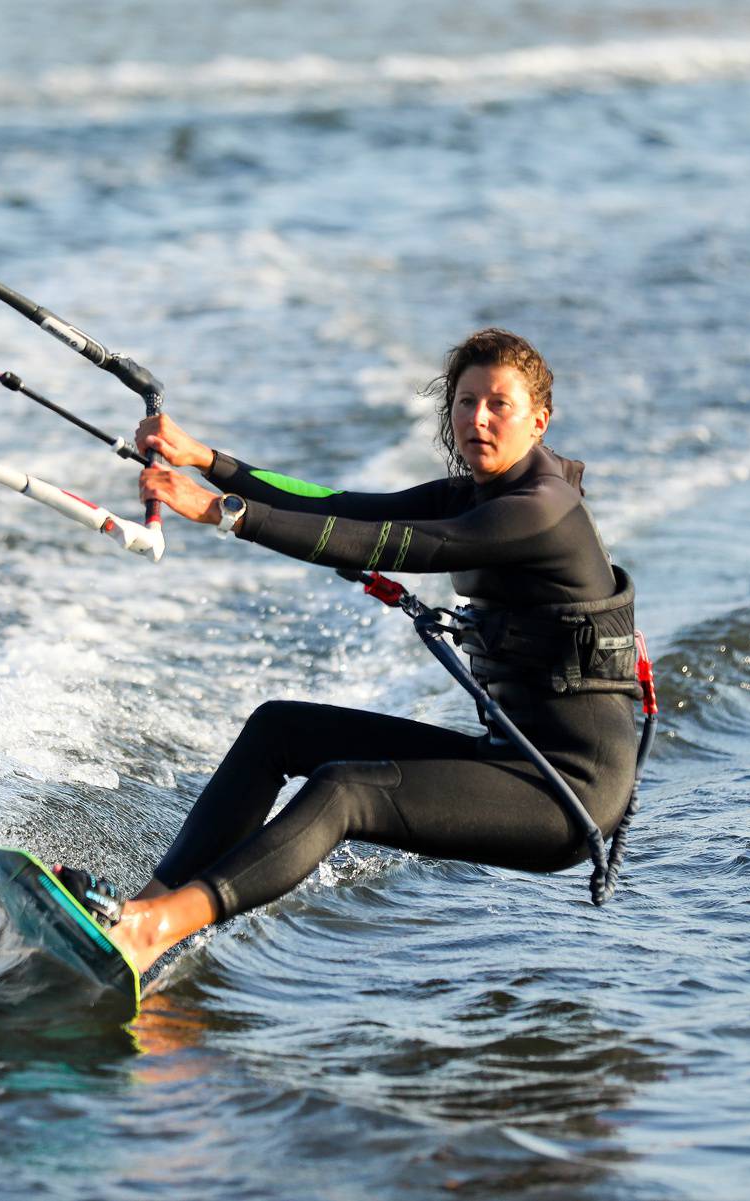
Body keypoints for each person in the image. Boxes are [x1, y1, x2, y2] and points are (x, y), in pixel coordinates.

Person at [77, 328, 644, 973]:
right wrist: (206, 458)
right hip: (513, 758)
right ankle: (137, 912)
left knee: (345, 790)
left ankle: (154, 930)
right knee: (279, 730)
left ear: (538, 421)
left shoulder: (539, 509)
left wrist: (223, 512)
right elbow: (340, 509)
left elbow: (391, 547)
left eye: (498, 405)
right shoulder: (474, 496)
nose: (477, 419)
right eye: (464, 402)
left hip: (567, 794)